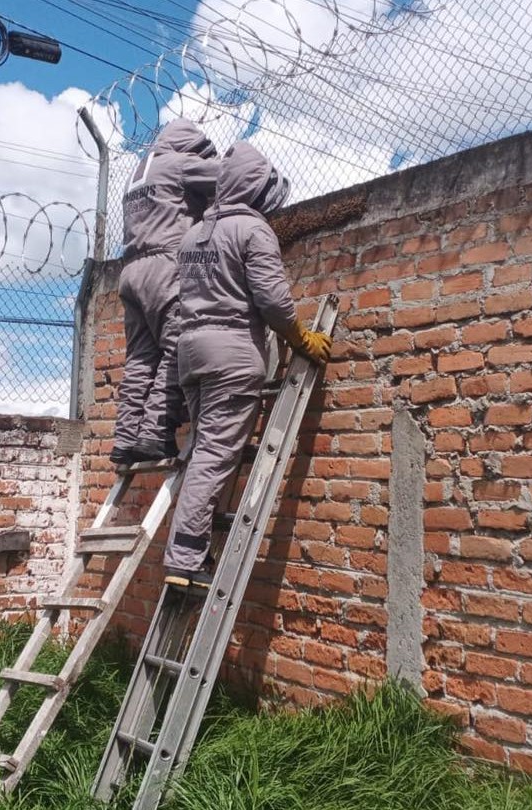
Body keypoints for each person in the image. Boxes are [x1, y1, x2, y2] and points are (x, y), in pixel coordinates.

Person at [162, 142, 331, 588]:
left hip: (191, 354)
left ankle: (190, 546)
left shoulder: (192, 234)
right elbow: (273, 301)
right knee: (216, 455)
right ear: (255, 190)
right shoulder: (252, 232)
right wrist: (299, 339)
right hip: (231, 355)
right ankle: (185, 558)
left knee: (204, 451)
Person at [110, 118, 219, 466]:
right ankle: (156, 431)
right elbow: (229, 177)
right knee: (177, 345)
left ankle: (126, 438)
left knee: (141, 359)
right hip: (165, 266)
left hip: (130, 271)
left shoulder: (138, 172)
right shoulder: (179, 162)